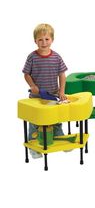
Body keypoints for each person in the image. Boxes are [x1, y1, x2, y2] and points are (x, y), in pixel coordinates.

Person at [23, 23, 68, 158]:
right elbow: (26, 74)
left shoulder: (56, 57)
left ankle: (59, 136)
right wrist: (32, 85)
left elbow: (62, 74)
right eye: (40, 39)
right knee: (35, 121)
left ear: (52, 40)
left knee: (56, 118)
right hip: (36, 97)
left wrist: (61, 91)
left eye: (46, 39)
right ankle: (33, 145)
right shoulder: (32, 57)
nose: (43, 42)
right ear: (35, 41)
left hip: (53, 95)